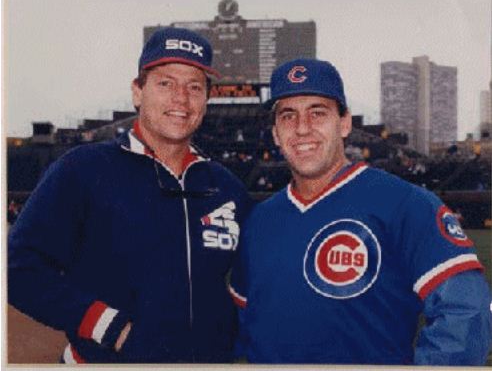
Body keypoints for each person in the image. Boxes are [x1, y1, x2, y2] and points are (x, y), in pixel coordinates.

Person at [8, 27, 252, 363]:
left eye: (194, 86)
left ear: (206, 100)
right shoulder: (83, 170)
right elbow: (17, 268)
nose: (181, 98)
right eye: (165, 83)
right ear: (138, 92)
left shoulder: (227, 188)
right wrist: (110, 328)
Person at [229, 58, 492, 365]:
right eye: (288, 116)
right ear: (275, 133)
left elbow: (467, 310)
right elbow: (243, 325)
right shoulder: (259, 221)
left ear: (344, 123)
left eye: (318, 112)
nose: (302, 128)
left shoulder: (404, 203)